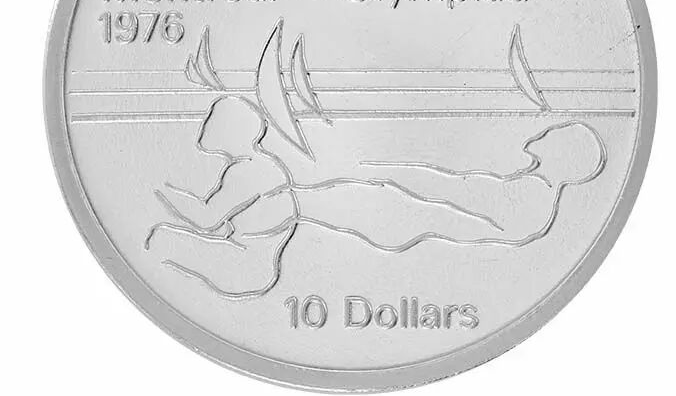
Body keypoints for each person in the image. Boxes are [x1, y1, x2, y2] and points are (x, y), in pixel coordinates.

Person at [145, 94, 606, 299]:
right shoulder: (528, 192)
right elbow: (459, 192)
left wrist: (400, 188)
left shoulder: (531, 200)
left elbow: (457, 210)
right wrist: (400, 178)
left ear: (564, 155)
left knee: (316, 201)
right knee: (324, 199)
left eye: (555, 136)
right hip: (388, 209)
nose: (542, 137)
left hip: (393, 216)